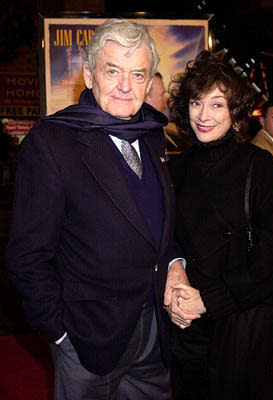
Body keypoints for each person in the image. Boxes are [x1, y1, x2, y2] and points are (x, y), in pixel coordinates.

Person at [6, 18, 190, 400]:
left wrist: (174, 266)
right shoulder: (52, 142)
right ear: (89, 75)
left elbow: (156, 228)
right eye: (113, 71)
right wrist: (60, 334)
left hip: (154, 330)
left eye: (138, 74)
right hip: (87, 337)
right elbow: (27, 255)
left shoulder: (152, 134)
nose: (126, 86)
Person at [167, 50, 273, 400]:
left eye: (217, 105)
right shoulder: (176, 169)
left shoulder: (258, 166)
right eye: (196, 103)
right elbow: (166, 238)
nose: (204, 115)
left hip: (240, 323)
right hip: (188, 328)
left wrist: (211, 300)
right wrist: (177, 290)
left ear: (235, 112)